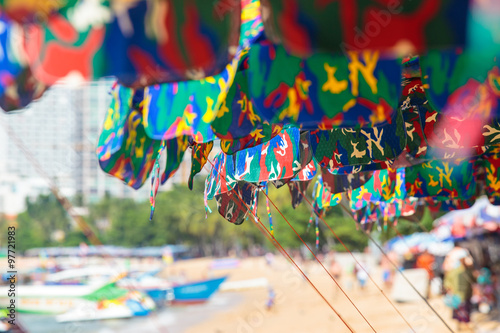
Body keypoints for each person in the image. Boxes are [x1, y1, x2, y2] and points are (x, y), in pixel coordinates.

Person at [443, 242, 475, 331]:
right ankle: (463, 326)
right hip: (460, 295)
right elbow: (447, 283)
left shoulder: (458, 270)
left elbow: (447, 283)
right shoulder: (459, 271)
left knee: (463, 311)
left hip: (463, 295)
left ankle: (463, 326)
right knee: (462, 311)